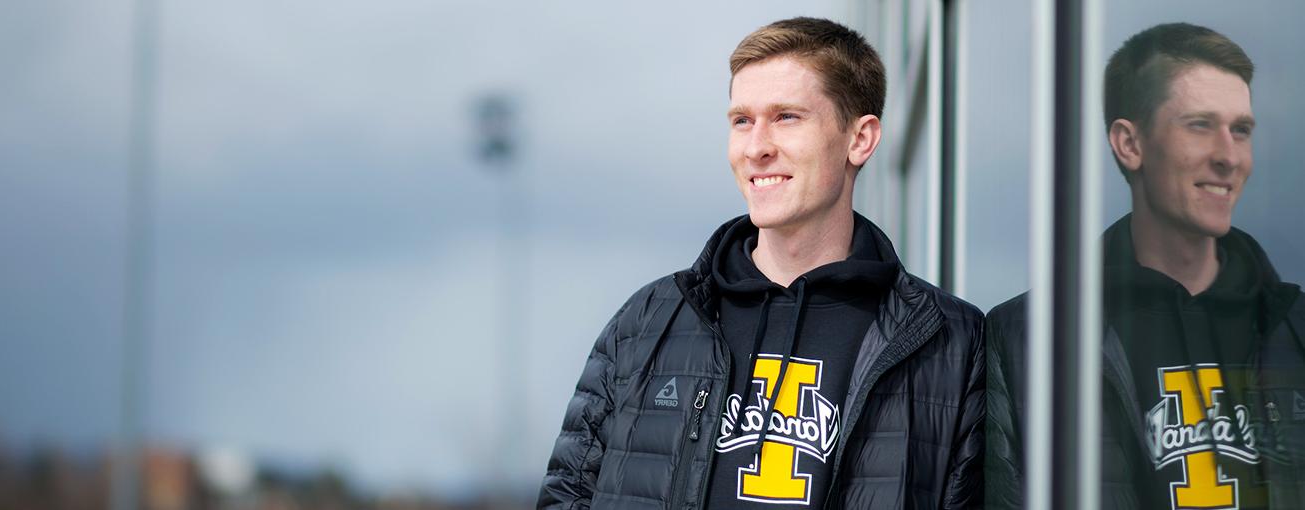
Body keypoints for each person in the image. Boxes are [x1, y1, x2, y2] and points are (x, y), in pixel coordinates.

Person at [538, 17, 985, 509]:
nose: (757, 147)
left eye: (787, 117)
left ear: (860, 140)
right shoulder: (646, 323)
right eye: (742, 121)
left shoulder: (949, 339)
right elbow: (566, 497)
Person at [986, 22, 1305, 509]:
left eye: (1240, 130)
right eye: (1200, 125)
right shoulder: (1026, 338)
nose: (1228, 156)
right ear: (1129, 144)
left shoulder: (1295, 329)